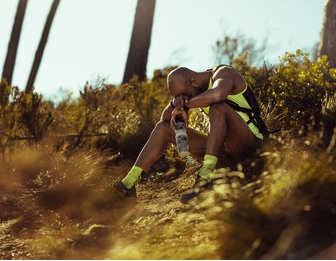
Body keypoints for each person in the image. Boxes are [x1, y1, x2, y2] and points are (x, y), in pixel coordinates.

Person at [113, 65, 267, 203]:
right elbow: (165, 119)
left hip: (252, 145)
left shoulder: (224, 73)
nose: (188, 101)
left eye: (186, 96)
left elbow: (218, 95)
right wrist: (175, 104)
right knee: (162, 128)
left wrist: (187, 103)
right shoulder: (191, 91)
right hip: (223, 152)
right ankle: (128, 184)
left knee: (218, 107)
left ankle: (205, 179)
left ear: (193, 81)